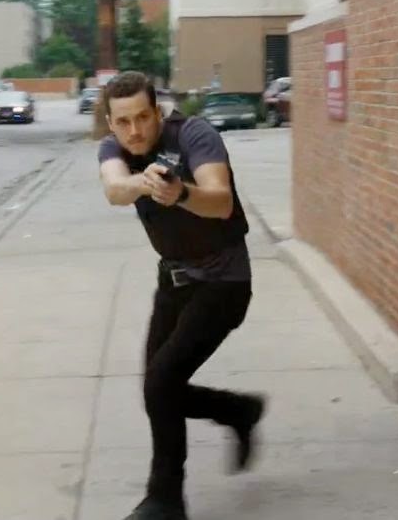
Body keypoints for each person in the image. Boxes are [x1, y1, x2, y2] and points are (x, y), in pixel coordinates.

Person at [97, 71, 266, 520]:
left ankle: (165, 499)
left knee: (161, 383)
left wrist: (179, 192)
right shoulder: (114, 148)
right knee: (158, 389)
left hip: (224, 281)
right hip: (174, 280)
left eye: (142, 117)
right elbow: (114, 188)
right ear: (111, 124)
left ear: (157, 111)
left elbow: (221, 201)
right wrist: (144, 183)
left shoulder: (194, 134)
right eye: (123, 121)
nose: (135, 130)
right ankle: (238, 410)